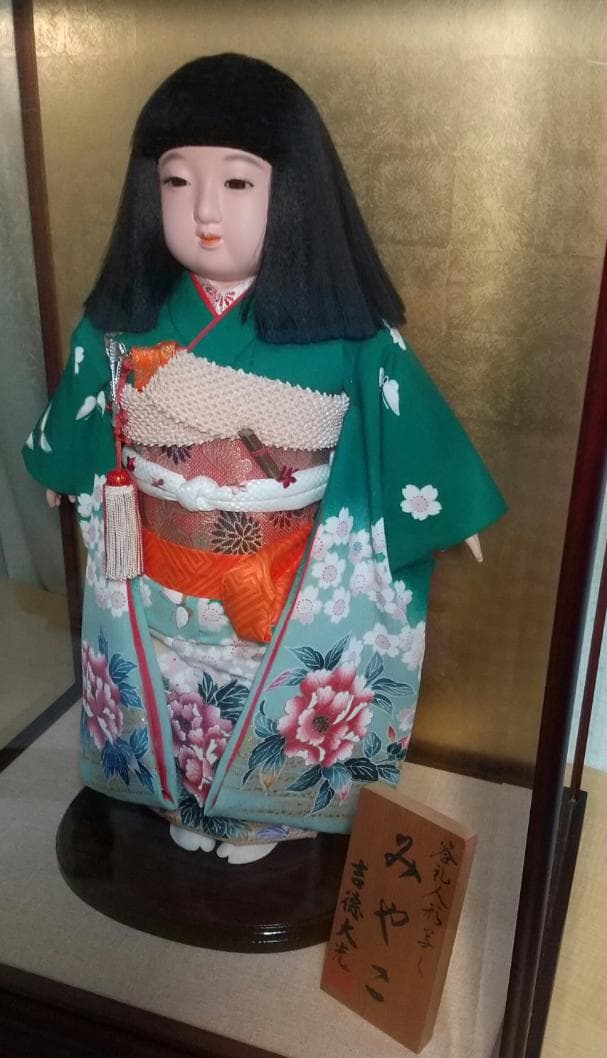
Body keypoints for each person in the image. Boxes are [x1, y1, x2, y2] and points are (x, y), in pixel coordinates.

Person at [23, 54, 506, 864]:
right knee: (178, 686)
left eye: (238, 182)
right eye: (176, 182)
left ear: (294, 193)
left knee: (264, 688)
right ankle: (183, 797)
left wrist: (447, 506)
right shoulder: (122, 325)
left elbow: (409, 424)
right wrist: (62, 471)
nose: (204, 210)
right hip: (160, 564)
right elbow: (84, 411)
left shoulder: (348, 334)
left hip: (283, 575)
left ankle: (262, 816)